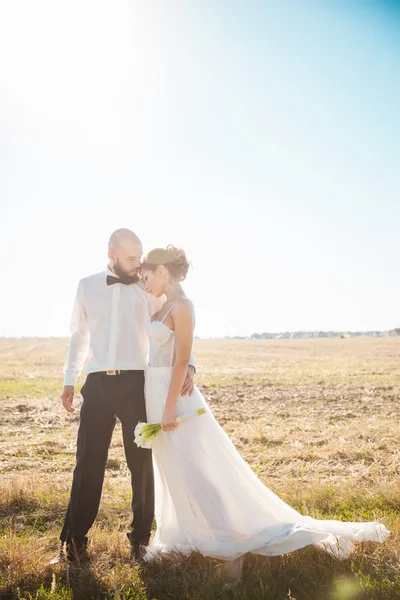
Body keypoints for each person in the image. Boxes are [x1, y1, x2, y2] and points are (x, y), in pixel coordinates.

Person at [140, 245, 390, 583]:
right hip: (155, 394)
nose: (144, 281)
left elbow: (182, 359)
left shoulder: (183, 306)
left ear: (161, 271)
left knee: (201, 471)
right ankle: (195, 532)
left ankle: (233, 548)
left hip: (175, 399)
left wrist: (170, 407)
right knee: (176, 472)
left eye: (147, 274)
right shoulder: (160, 302)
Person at [51, 230, 195, 565]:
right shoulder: (87, 286)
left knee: (140, 464)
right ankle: (72, 545)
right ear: (111, 254)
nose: (138, 264)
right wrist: (69, 379)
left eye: (140, 257)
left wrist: (190, 366)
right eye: (131, 258)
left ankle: (140, 542)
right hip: (97, 384)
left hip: (137, 384)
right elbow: (78, 335)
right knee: (87, 463)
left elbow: (178, 319)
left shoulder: (148, 289)